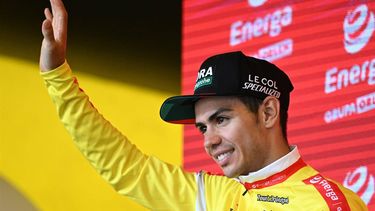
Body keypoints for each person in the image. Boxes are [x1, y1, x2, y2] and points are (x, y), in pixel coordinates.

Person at [39, 0, 367, 210]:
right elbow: (127, 170)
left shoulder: (326, 203)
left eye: (221, 119)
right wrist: (57, 77)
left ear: (267, 112)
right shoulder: (215, 194)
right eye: (202, 127)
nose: (208, 141)